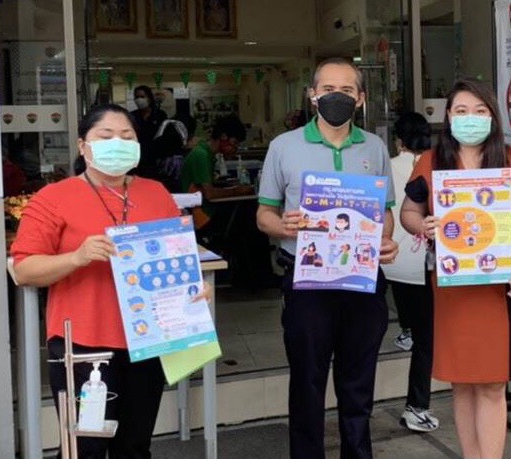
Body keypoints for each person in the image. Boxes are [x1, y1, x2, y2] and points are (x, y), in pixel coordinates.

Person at [10, 104, 211, 457]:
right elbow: (24, 269)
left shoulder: (156, 194)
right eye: (106, 136)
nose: (118, 143)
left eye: (127, 136)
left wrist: (193, 289)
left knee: (134, 446)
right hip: (83, 347)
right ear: (83, 145)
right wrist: (77, 257)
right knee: (84, 448)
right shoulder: (54, 197)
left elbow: (177, 259)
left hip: (146, 341)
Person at [256, 57, 399, 458]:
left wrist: (385, 239)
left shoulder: (374, 147)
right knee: (307, 380)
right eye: (328, 89)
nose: (338, 97)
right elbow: (263, 214)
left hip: (362, 279)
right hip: (307, 281)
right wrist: (283, 226)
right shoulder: (283, 147)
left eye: (347, 90)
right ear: (312, 95)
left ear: (361, 98)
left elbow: (385, 211)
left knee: (359, 382)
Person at [400, 78, 511, 459]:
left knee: (493, 383)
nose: (471, 118)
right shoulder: (430, 162)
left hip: (501, 283)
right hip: (451, 282)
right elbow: (409, 211)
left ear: (493, 117)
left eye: (480, 111)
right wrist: (422, 225)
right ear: (449, 117)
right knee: (462, 381)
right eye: (462, 111)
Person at [380, 111, 439, 432]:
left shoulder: (386, 166)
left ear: (398, 140)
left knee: (405, 312)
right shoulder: (436, 168)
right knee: (426, 341)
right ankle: (417, 407)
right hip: (423, 265)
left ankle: (406, 331)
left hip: (390, 262)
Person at [180, 114, 276, 290]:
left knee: (250, 216)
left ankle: (254, 276)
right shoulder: (201, 155)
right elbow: (210, 194)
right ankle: (258, 277)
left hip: (205, 212)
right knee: (252, 221)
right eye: (234, 143)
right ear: (223, 137)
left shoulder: (207, 154)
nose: (235, 148)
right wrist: (237, 190)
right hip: (203, 217)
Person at [130, 85, 168, 179]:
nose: (139, 99)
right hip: (137, 159)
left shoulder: (160, 115)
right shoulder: (132, 116)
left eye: (142, 96)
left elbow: (164, 136)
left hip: (155, 159)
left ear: (149, 98)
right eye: (137, 97)